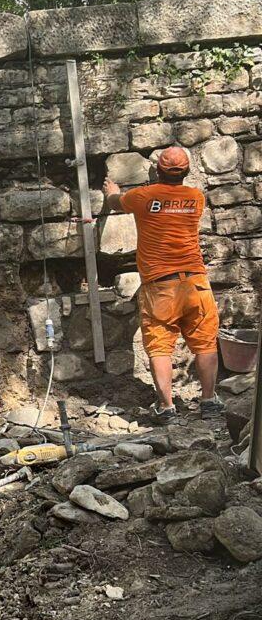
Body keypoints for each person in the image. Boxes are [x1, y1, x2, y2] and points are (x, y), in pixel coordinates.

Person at [103, 146, 223, 423]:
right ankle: (209, 401)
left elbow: (114, 202)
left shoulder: (143, 196)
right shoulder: (196, 197)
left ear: (157, 171)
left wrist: (111, 188)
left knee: (160, 346)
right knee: (204, 343)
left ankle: (167, 407)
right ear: (187, 172)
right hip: (196, 283)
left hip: (161, 285)